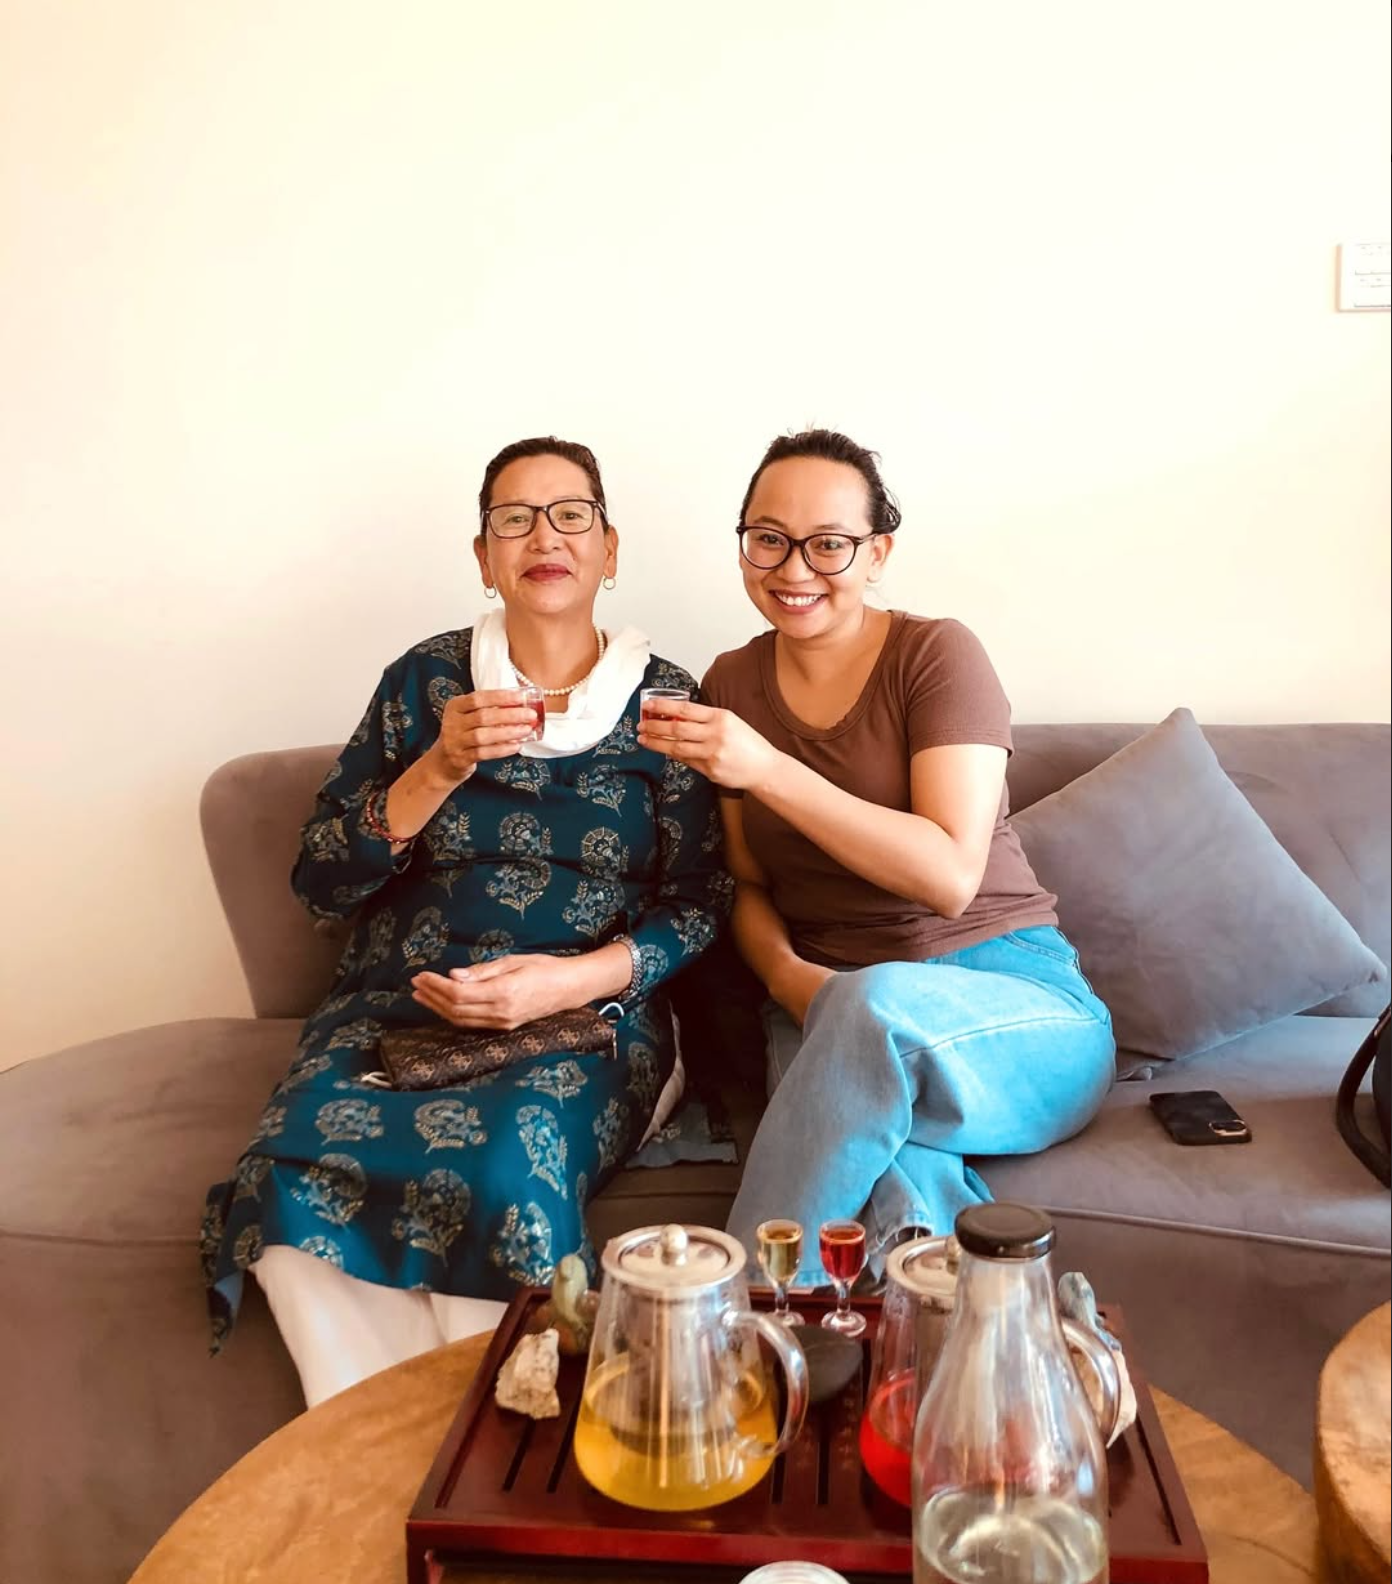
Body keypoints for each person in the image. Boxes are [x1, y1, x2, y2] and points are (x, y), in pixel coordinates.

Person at [203, 437, 729, 1404]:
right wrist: (436, 770)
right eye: (513, 518)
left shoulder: (667, 703)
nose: (544, 536)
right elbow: (320, 883)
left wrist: (568, 980)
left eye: (570, 514)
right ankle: (385, 1453)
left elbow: (703, 904)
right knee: (284, 1178)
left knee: (499, 1172)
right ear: (483, 557)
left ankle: (480, 1455)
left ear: (610, 549)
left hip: (586, 1012)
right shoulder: (424, 685)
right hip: (398, 1003)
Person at [637, 429, 1115, 1284]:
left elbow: (946, 874)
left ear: (876, 552)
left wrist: (771, 769)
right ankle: (934, 1366)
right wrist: (795, 987)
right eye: (768, 538)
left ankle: (733, 1327)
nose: (794, 568)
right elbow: (744, 881)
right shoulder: (732, 682)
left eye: (828, 544)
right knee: (895, 1188)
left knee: (876, 1010)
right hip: (827, 1010)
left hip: (1011, 1005)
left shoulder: (936, 656)